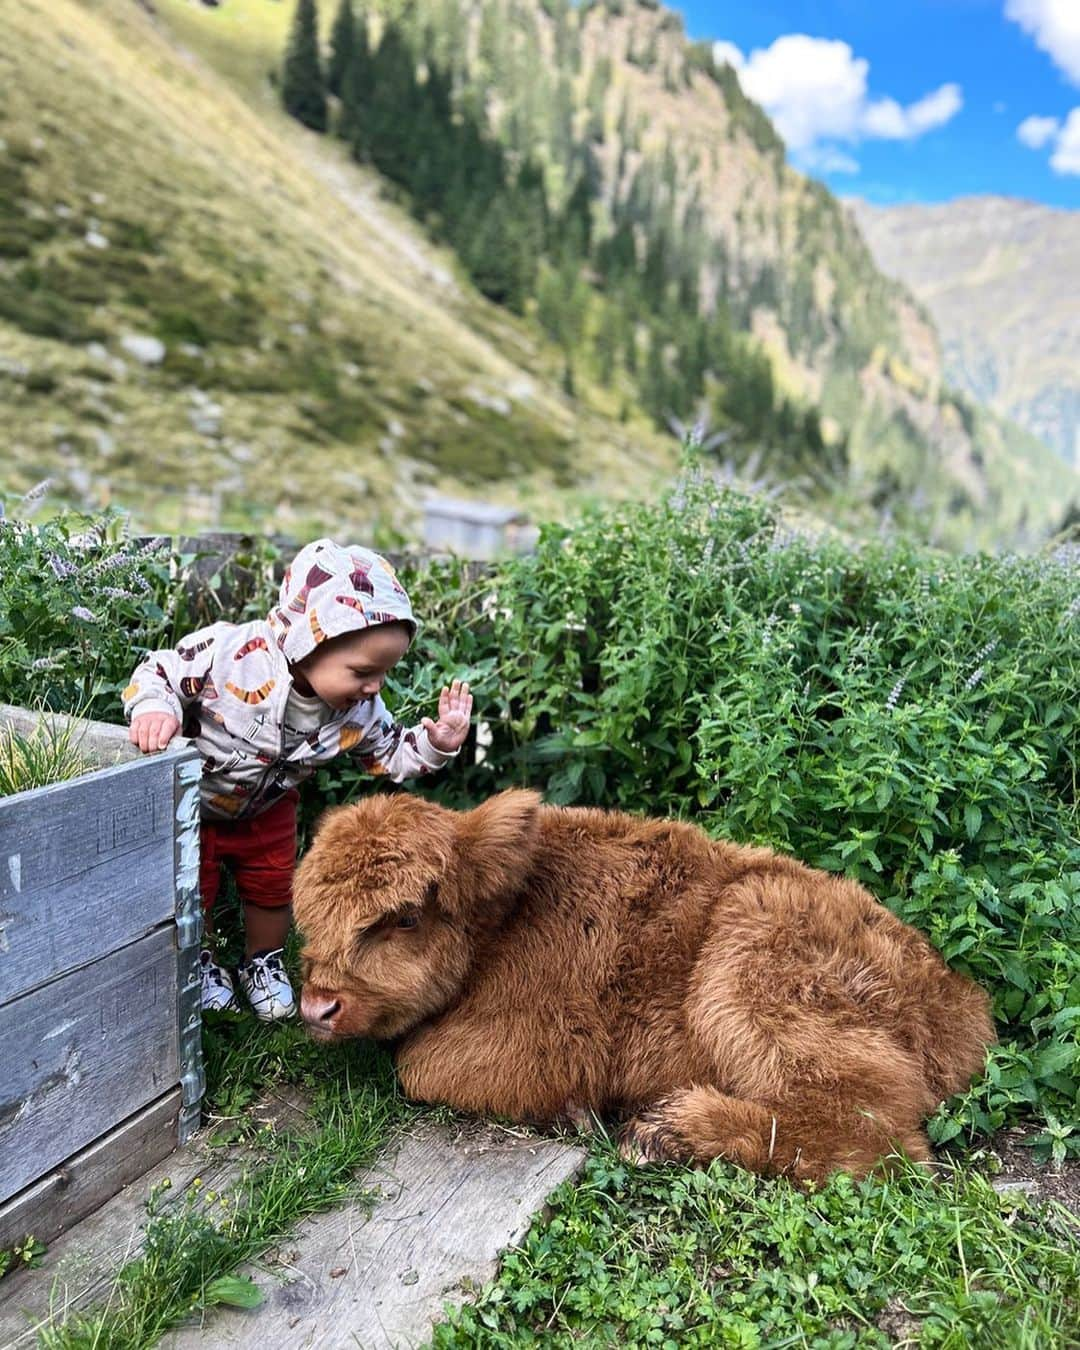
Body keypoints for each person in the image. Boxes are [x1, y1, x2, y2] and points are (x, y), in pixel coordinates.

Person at [123, 538, 472, 1021]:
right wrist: (155, 707)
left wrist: (437, 743)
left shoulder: (362, 710)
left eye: (385, 674)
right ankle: (197, 961)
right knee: (191, 889)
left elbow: (391, 755)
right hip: (192, 807)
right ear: (309, 641)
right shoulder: (229, 654)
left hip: (267, 810)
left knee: (271, 886)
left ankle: (261, 961)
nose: (374, 687)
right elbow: (158, 669)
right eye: (363, 672)